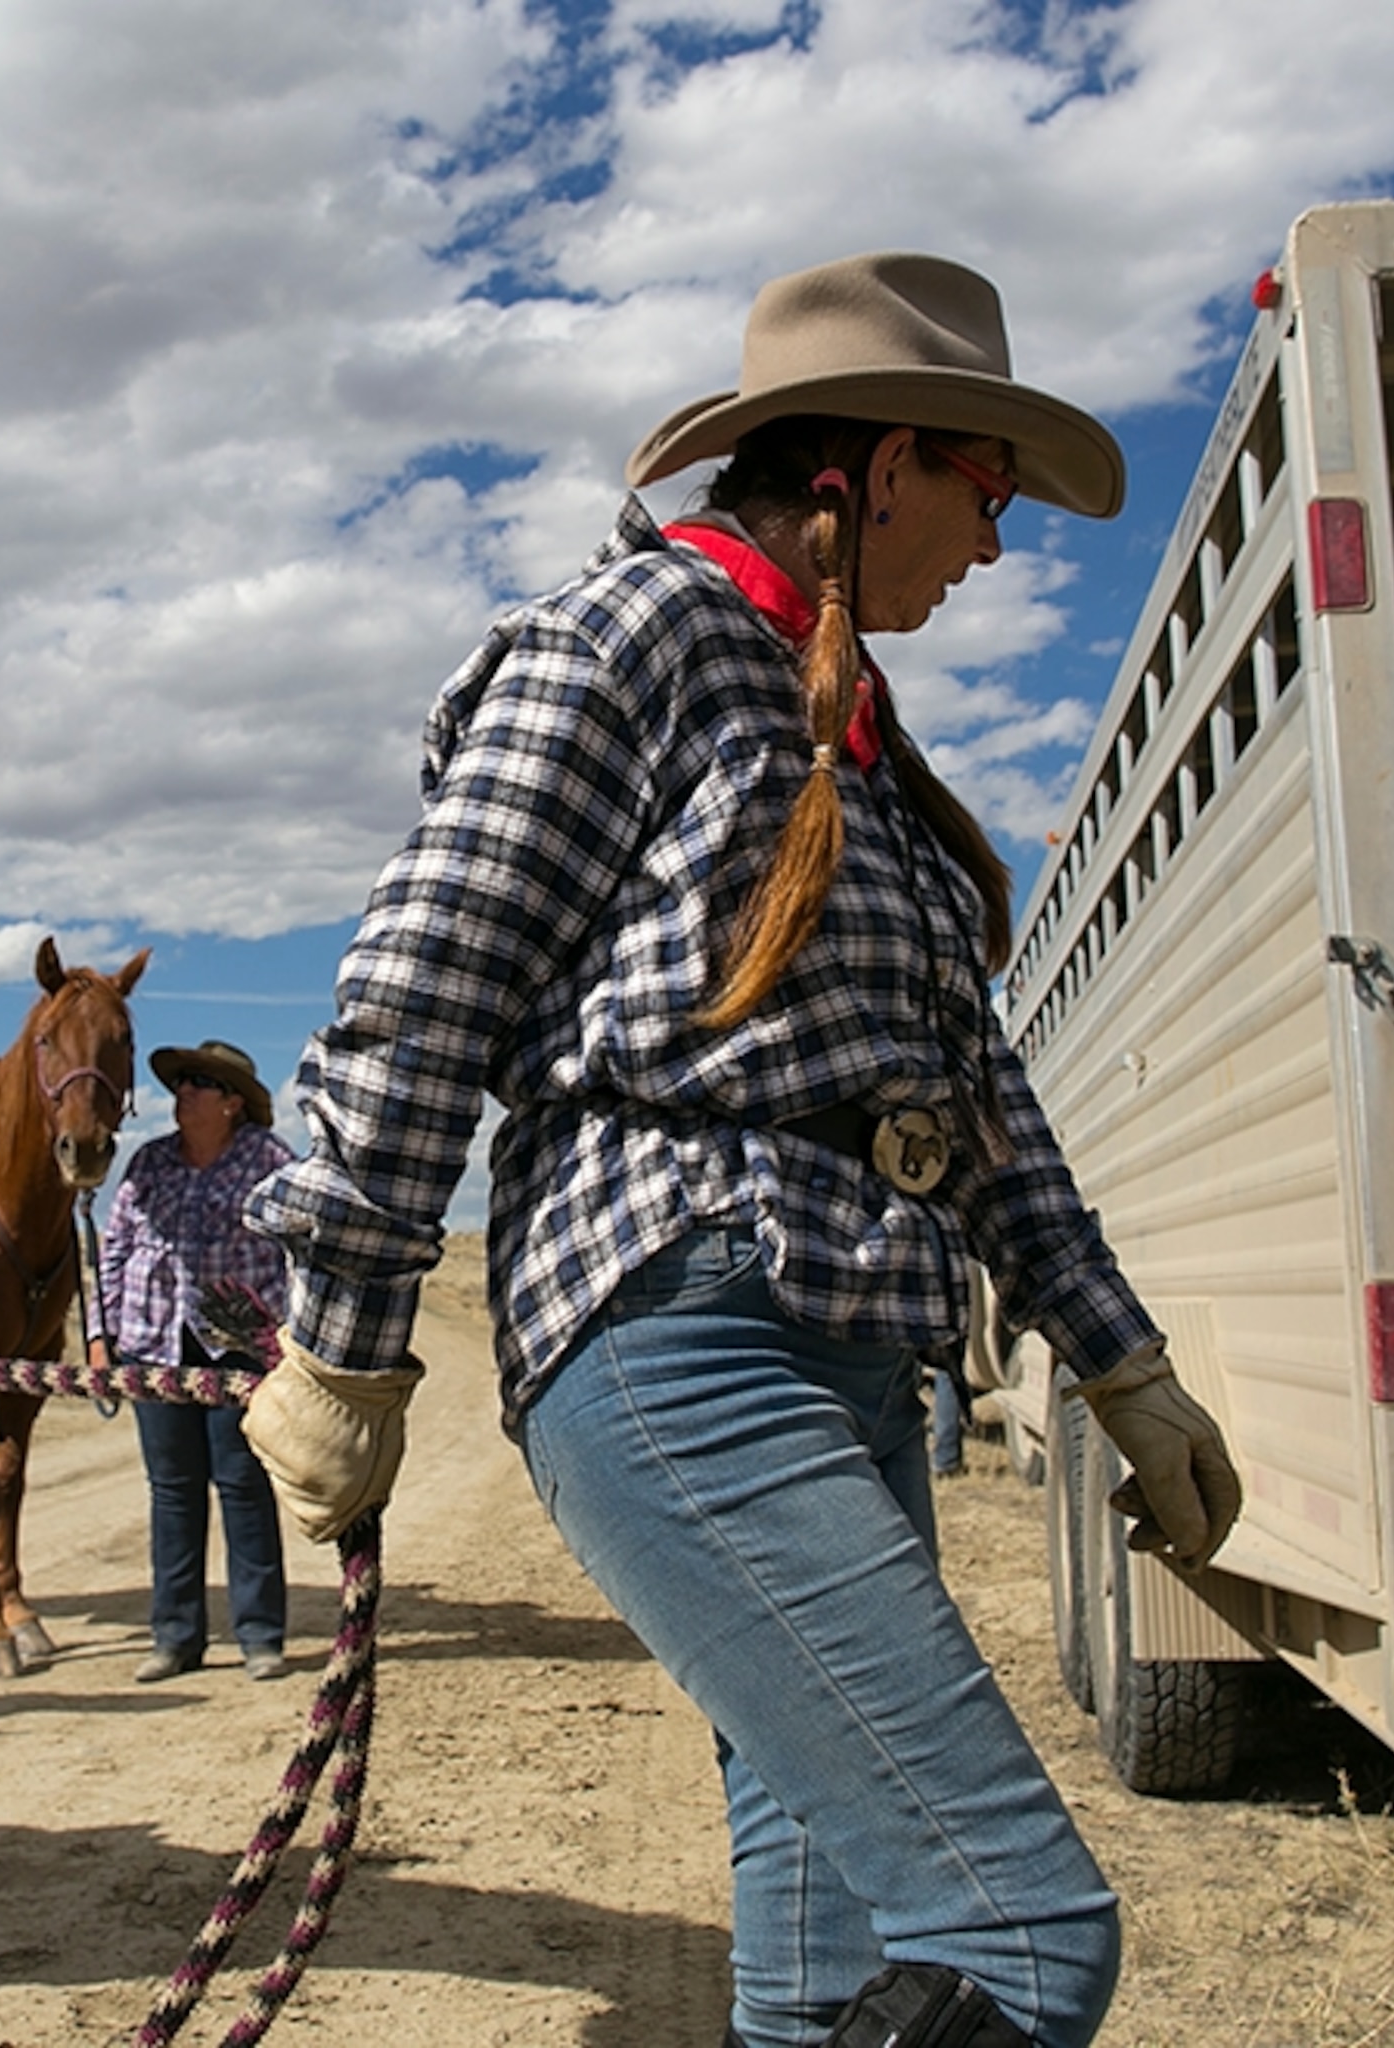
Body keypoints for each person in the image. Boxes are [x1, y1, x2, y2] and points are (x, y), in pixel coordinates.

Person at [239, 253, 1240, 2048]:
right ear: (870, 469)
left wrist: (1122, 1362)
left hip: (850, 1356)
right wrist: (344, 1331)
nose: (1000, 545)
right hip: (680, 1331)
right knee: (1019, 1929)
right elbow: (426, 976)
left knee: (839, 1962)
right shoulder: (634, 636)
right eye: (985, 491)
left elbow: (973, 1101)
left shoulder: (844, 721)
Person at [92, 1040, 297, 1684]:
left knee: (242, 1487)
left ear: (233, 1102)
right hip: (155, 1346)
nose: (183, 1093)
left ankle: (260, 1637)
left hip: (238, 1352)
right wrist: (102, 1336)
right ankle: (175, 1638)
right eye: (181, 1083)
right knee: (172, 1494)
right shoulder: (150, 1163)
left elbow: (299, 1252)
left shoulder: (269, 1161)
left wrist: (289, 1341)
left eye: (199, 1083)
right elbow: (115, 1249)